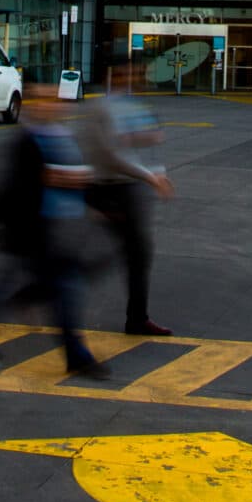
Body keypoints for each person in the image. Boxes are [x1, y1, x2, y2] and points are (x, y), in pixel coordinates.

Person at [0, 86, 107, 377]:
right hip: (33, 229)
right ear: (31, 106)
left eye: (54, 100)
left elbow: (75, 175)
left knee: (4, 282)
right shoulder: (25, 141)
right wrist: (66, 179)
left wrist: (90, 199)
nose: (50, 105)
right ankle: (76, 355)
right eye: (42, 100)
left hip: (54, 227)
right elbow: (32, 181)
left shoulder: (62, 137)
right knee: (66, 288)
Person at [77, 65, 174, 335]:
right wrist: (149, 177)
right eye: (123, 75)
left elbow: (147, 145)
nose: (130, 81)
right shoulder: (101, 108)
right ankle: (46, 290)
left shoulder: (134, 106)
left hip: (128, 188)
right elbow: (110, 154)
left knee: (138, 254)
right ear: (110, 77)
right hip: (104, 188)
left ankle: (137, 318)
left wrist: (157, 173)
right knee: (99, 255)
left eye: (134, 76)